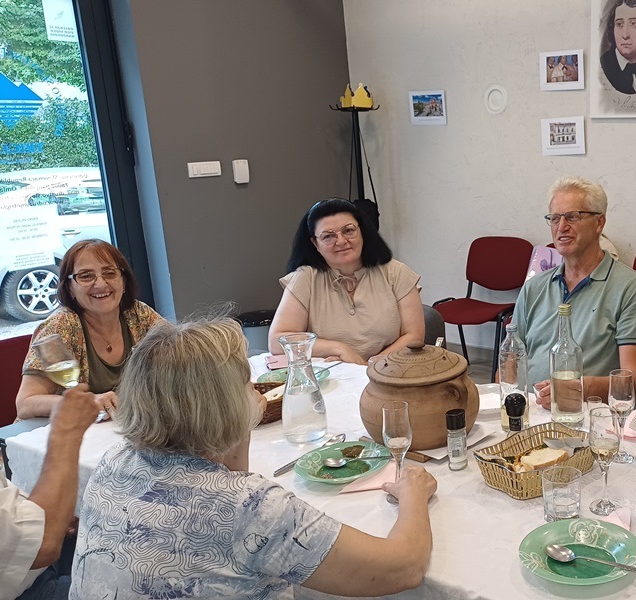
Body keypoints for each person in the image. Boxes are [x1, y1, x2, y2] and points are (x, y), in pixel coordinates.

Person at [71, 318, 437, 598]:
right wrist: (414, 496)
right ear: (224, 405)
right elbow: (403, 568)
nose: (256, 391)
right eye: (247, 383)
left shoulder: (114, 461)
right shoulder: (251, 506)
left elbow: (224, 477)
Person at [513, 176, 636, 408]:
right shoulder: (533, 287)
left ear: (599, 222)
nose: (561, 227)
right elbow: (510, 360)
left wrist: (580, 388)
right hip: (528, 411)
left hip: (588, 415)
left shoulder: (630, 287)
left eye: (572, 217)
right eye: (554, 218)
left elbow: (635, 384)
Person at [16, 240, 165, 420]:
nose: (101, 284)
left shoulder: (139, 314)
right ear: (70, 288)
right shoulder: (60, 326)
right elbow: (25, 404)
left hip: (118, 428)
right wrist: (87, 402)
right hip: (56, 432)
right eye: (86, 276)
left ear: (124, 282)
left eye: (109, 273)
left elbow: (182, 355)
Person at [269, 198, 424, 364]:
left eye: (348, 230)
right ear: (315, 243)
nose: (341, 241)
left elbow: (414, 335)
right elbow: (277, 342)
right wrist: (339, 349)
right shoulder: (305, 278)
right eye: (328, 236)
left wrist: (370, 365)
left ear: (362, 231)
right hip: (331, 375)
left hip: (389, 371)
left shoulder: (396, 273)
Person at [0, 385, 100, 600]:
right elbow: (43, 546)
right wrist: (66, 431)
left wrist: (49, 512)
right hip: (27, 587)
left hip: (26, 560)